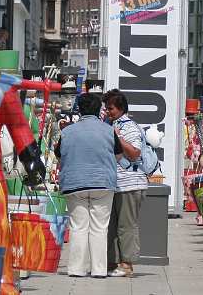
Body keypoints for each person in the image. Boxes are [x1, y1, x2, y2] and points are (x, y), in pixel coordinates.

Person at [55, 92, 122, 278]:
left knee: (78, 226)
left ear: (79, 110)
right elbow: (118, 154)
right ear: (99, 110)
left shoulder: (67, 131)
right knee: (100, 227)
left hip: (74, 183)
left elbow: (58, 154)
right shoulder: (108, 130)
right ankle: (99, 269)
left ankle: (76, 269)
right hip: (103, 183)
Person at [102, 89, 146, 277]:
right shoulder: (112, 124)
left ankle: (127, 263)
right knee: (112, 225)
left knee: (126, 225)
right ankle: (113, 262)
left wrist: (117, 137)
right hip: (116, 183)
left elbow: (135, 152)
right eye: (106, 108)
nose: (108, 111)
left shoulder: (130, 127)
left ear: (121, 108)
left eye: (110, 108)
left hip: (130, 183)